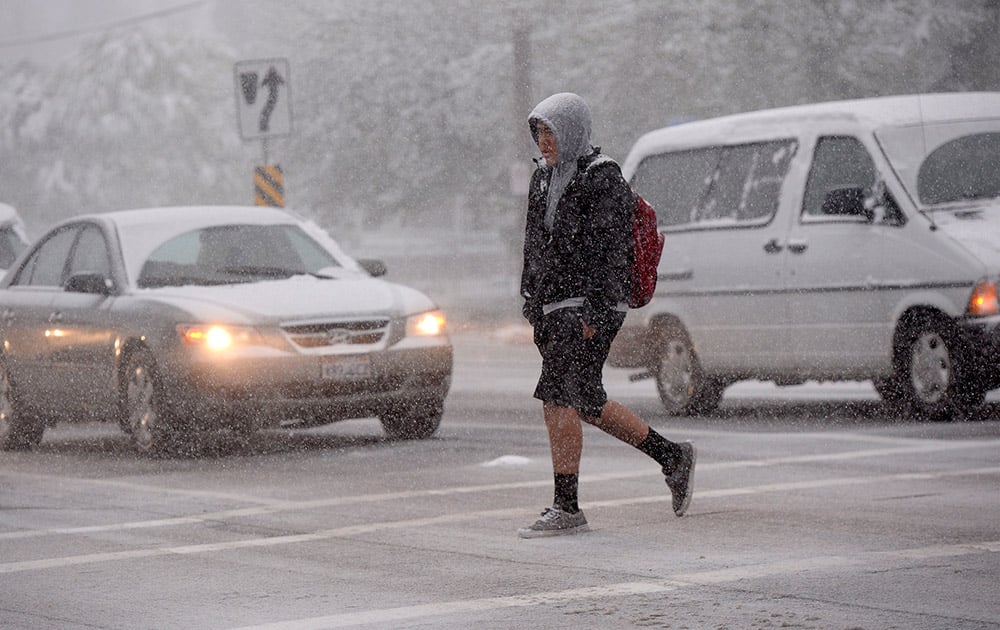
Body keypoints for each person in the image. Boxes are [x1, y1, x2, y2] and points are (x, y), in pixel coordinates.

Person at [517, 92, 696, 538]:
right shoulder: (543, 179)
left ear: (572, 130)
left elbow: (612, 250)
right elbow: (534, 245)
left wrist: (595, 311)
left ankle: (567, 506)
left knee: (557, 396)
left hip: (591, 307)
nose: (544, 140)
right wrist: (530, 298)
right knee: (586, 401)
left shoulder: (604, 179)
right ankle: (672, 457)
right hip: (555, 308)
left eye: (551, 131)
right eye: (539, 131)